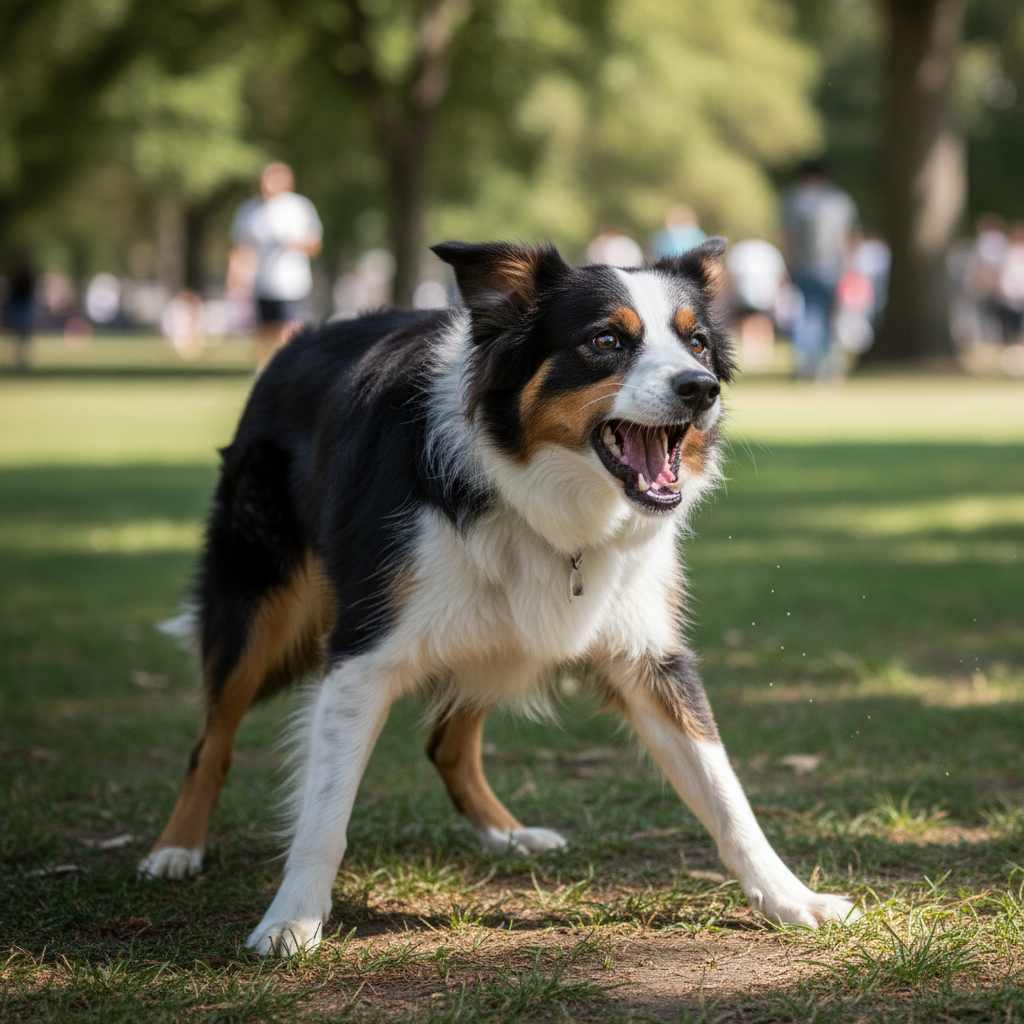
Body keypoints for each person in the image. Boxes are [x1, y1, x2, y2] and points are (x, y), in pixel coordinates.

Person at [230, 162, 323, 369]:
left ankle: (289, 369)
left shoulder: (299, 207)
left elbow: (315, 243)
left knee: (289, 330)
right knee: (264, 331)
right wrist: (236, 278)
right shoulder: (249, 211)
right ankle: (263, 372)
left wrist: (295, 243)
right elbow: (241, 248)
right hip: (261, 282)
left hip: (291, 282)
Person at [780, 159, 859, 379]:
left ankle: (806, 364)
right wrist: (850, 266)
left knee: (805, 316)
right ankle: (828, 366)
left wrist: (787, 265)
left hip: (803, 268)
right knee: (829, 317)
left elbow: (790, 238)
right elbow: (848, 238)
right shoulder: (840, 201)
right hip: (834, 268)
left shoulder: (795, 200)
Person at [3, 252, 35, 369]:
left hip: (22, 306)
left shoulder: (25, 277)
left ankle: (22, 360)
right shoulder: (18, 278)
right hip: (19, 306)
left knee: (23, 335)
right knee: (20, 334)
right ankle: (20, 359)